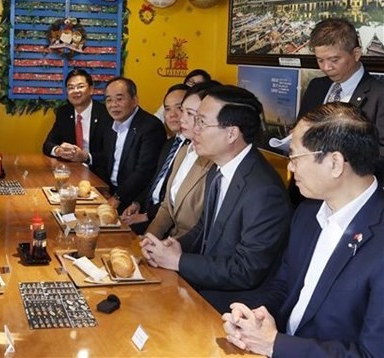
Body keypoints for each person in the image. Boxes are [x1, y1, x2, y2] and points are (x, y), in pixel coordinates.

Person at [222, 102, 384, 357]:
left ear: (335, 163)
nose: (290, 167)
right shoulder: (308, 213)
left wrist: (275, 344)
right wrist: (252, 317)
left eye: (295, 157)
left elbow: (371, 354)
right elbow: (285, 285)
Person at [141, 85, 292, 312]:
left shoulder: (263, 191)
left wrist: (179, 261)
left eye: (202, 122)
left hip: (236, 305)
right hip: (206, 282)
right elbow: (205, 228)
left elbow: (246, 269)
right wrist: (173, 245)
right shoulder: (218, 168)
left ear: (231, 133)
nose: (193, 128)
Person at [278, 18, 384, 206]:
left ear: (356, 53)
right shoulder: (316, 86)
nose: (326, 67)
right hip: (306, 197)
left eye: (334, 60)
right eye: (320, 60)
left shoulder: (379, 94)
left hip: (351, 200)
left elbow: (380, 154)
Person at [144, 83, 216, 240]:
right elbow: (167, 207)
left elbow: (201, 228)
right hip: (168, 242)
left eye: (190, 113)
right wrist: (148, 240)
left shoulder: (214, 162)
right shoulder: (184, 150)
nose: (181, 118)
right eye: (183, 111)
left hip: (186, 251)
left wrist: (166, 250)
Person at [120, 83, 190, 233]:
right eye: (167, 109)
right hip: (149, 210)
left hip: (168, 223)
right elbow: (156, 180)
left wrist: (147, 216)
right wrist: (137, 203)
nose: (172, 114)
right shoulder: (170, 143)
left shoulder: (193, 149)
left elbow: (177, 198)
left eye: (179, 108)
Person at [102, 77, 167, 213]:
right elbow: (105, 159)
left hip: (134, 199)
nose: (113, 105)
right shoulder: (109, 123)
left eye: (119, 99)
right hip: (111, 192)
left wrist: (117, 197)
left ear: (135, 100)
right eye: (109, 99)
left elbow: (144, 171)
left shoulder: (150, 127)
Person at [42, 69, 112, 178]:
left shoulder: (105, 114)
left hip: (98, 175)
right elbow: (47, 145)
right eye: (71, 88)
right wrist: (59, 151)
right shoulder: (64, 113)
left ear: (91, 89)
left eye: (80, 86)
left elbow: (110, 154)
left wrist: (86, 157)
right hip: (71, 173)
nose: (75, 91)